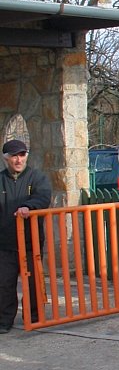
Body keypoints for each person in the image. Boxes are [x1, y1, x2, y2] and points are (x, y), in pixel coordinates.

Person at [0, 139, 52, 333]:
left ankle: (34, 318)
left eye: (22, 155)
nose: (18, 160)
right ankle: (4, 322)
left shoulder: (37, 177)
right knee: (4, 284)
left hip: (31, 243)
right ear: (6, 159)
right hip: (5, 244)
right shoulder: (1, 179)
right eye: (14, 156)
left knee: (33, 282)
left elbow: (43, 197)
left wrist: (28, 206)